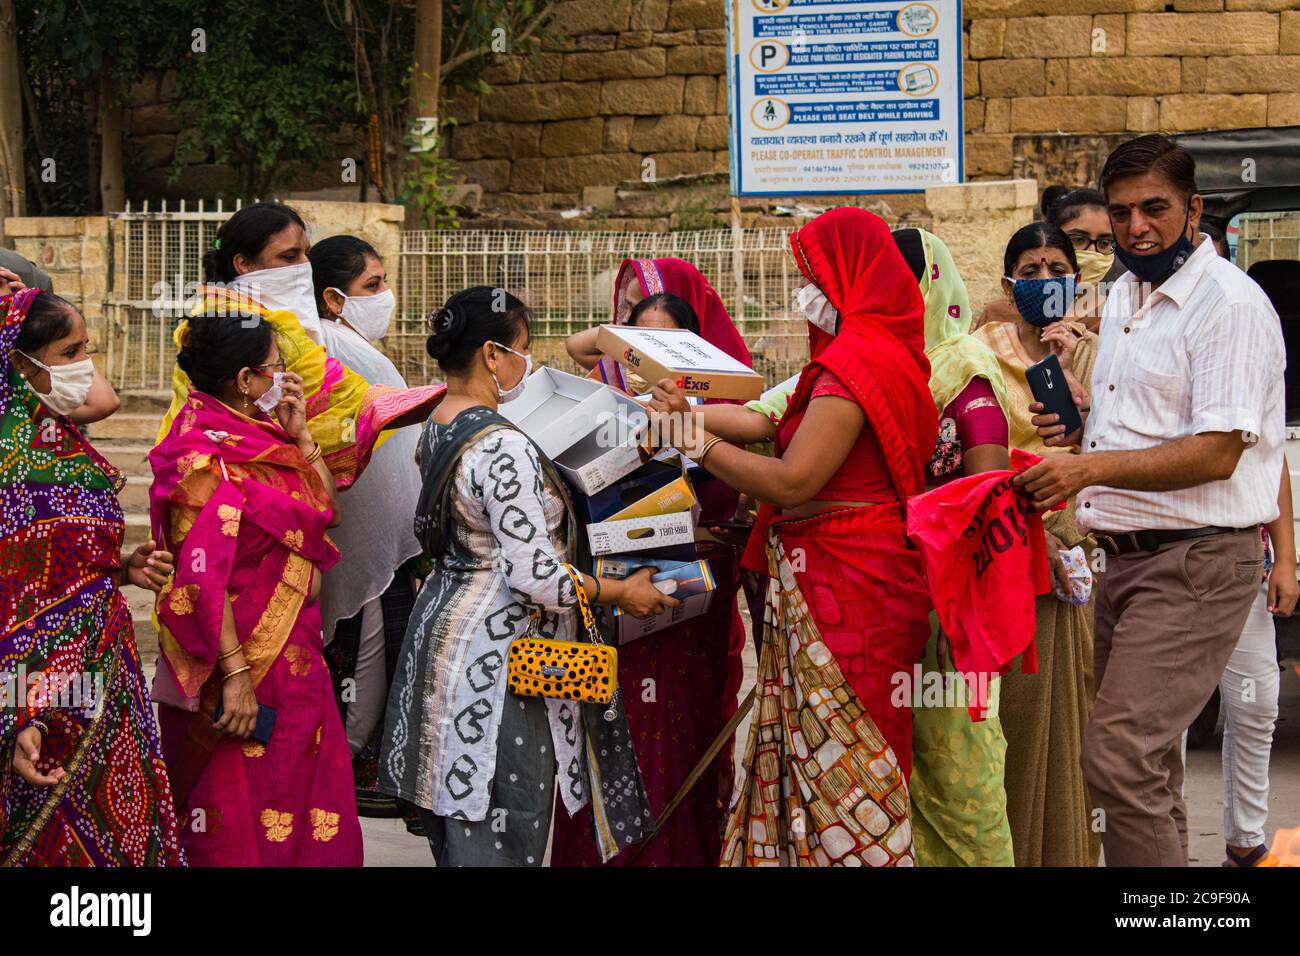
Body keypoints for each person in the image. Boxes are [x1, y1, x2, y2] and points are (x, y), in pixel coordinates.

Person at [1018, 133, 1285, 867]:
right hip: (1128, 562)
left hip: (1195, 563)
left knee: (1116, 758)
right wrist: (1077, 425)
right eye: (1122, 211)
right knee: (1151, 765)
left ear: (1194, 208)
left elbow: (1218, 450)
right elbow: (1149, 423)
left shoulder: (1227, 305)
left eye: (1155, 209)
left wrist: (1089, 469)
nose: (1136, 227)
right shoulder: (1130, 294)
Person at [649, 207, 938, 866]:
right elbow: (767, 422)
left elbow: (791, 479)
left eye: (811, 274)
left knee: (847, 762)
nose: (804, 291)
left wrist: (696, 439)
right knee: (833, 753)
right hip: (849, 569)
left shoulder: (856, 362)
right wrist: (690, 415)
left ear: (847, 274)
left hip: (848, 581)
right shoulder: (873, 352)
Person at [379, 286, 676, 867]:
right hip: (500, 657)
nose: (527, 364)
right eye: (521, 350)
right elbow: (537, 577)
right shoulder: (502, 445)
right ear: (492, 355)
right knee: (504, 826)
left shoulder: (437, 424)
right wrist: (620, 590)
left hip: (440, 633)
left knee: (459, 824)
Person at [555, 258, 749, 867]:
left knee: (679, 732)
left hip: (688, 607)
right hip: (609, 606)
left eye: (673, 351)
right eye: (642, 348)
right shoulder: (598, 409)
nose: (655, 366)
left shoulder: (726, 415)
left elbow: (738, 506)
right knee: (612, 734)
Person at [149, 312, 363, 866]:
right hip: (240, 667)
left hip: (297, 662)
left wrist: (301, 435)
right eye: (275, 368)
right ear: (246, 380)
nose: (282, 378)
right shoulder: (199, 455)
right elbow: (199, 578)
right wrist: (238, 676)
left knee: (305, 800)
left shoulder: (265, 439)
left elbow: (327, 513)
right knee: (236, 813)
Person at [1, 288, 183, 866]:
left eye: (87, 348)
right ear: (18, 360)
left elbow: (59, 561)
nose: (85, 365)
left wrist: (121, 570)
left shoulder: (56, 435)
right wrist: (16, 713)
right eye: (69, 351)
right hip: (30, 693)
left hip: (104, 671)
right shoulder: (8, 456)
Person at [972, 221, 1100, 867]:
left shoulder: (1096, 353)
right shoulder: (978, 353)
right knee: (1012, 724)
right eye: (1031, 271)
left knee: (1074, 720)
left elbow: (1099, 452)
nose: (1045, 282)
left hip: (1071, 554)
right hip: (1002, 554)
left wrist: (1072, 374)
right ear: (1007, 284)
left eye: (1057, 269)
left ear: (1075, 282)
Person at [156, 202, 442, 487]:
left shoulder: (203, 315)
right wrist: (455, 392)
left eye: (306, 253)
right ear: (243, 264)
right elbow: (349, 400)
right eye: (290, 256)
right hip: (246, 488)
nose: (305, 266)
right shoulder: (274, 328)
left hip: (184, 471)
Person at [891, 228, 1017, 867]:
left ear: (928, 286)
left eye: (899, 281)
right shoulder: (881, 364)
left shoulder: (963, 367)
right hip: (889, 597)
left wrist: (958, 599)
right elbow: (771, 411)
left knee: (961, 773)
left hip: (949, 601)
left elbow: (986, 486)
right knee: (899, 774)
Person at [308, 235, 423, 819]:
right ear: (332, 298)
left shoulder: (351, 344)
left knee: (385, 642)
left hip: (388, 534)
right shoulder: (328, 344)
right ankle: (353, 764)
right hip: (360, 535)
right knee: (364, 644)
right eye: (372, 286)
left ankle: (372, 766)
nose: (386, 296)